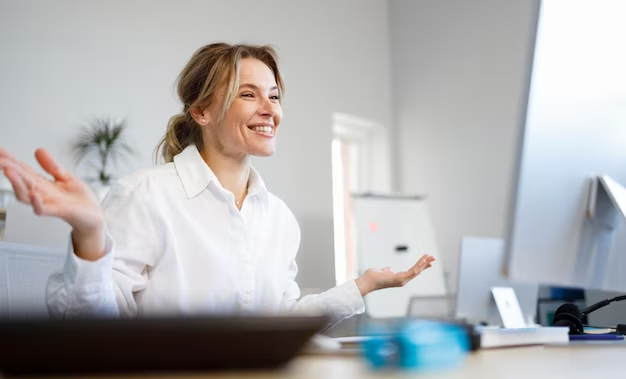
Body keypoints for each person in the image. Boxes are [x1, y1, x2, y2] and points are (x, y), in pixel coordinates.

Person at [0, 42, 434, 326]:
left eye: (275, 96)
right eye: (248, 95)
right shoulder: (145, 195)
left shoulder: (279, 218)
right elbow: (87, 322)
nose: (270, 109)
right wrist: (90, 234)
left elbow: (279, 319)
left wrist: (362, 286)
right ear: (202, 111)